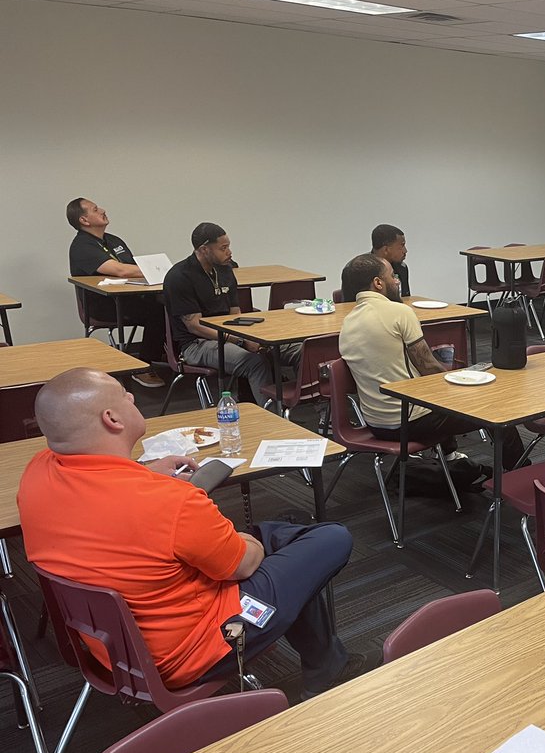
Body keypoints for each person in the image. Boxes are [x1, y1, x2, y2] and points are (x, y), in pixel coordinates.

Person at [17, 368, 364, 699]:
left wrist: (142, 472)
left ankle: (326, 666)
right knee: (330, 538)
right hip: (197, 649)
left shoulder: (37, 473)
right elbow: (242, 566)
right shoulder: (170, 502)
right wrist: (250, 545)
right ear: (113, 419)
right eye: (126, 396)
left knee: (290, 528)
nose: (134, 396)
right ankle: (326, 668)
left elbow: (99, 486)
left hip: (112, 648)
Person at [338, 253, 523, 467]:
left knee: (431, 394)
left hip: (374, 422)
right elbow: (428, 368)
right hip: (409, 422)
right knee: (495, 409)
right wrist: (463, 380)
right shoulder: (398, 312)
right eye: (392, 276)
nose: (397, 280)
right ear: (378, 283)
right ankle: (519, 472)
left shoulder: (347, 324)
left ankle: (447, 456)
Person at [163, 222, 298, 407]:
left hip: (230, 335)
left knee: (298, 349)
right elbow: (194, 325)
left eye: (228, 246)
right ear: (204, 249)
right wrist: (241, 341)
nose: (229, 252)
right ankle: (273, 420)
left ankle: (321, 414)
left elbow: (235, 314)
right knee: (255, 362)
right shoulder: (180, 276)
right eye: (223, 248)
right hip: (196, 344)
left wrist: (255, 337)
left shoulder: (225, 270)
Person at [66, 197, 165, 388]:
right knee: (157, 310)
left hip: (130, 298)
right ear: (84, 221)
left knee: (170, 303)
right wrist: (161, 270)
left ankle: (175, 355)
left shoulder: (113, 240)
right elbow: (121, 270)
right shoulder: (82, 246)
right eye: (95, 209)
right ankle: (142, 367)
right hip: (104, 306)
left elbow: (133, 267)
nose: (102, 210)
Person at [371, 224, 410, 297]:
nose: (405, 251)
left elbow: (406, 299)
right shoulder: (360, 269)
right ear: (386, 249)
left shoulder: (402, 268)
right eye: (402, 245)